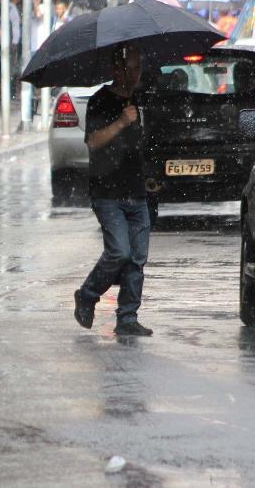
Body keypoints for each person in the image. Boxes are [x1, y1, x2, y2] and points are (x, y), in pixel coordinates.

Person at [73, 43, 153, 337]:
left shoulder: (140, 99)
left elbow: (144, 144)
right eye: (129, 67)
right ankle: (87, 294)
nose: (135, 74)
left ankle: (128, 318)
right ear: (115, 69)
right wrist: (122, 121)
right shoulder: (101, 101)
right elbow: (93, 141)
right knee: (119, 251)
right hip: (107, 193)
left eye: (138, 67)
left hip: (137, 192)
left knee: (136, 258)